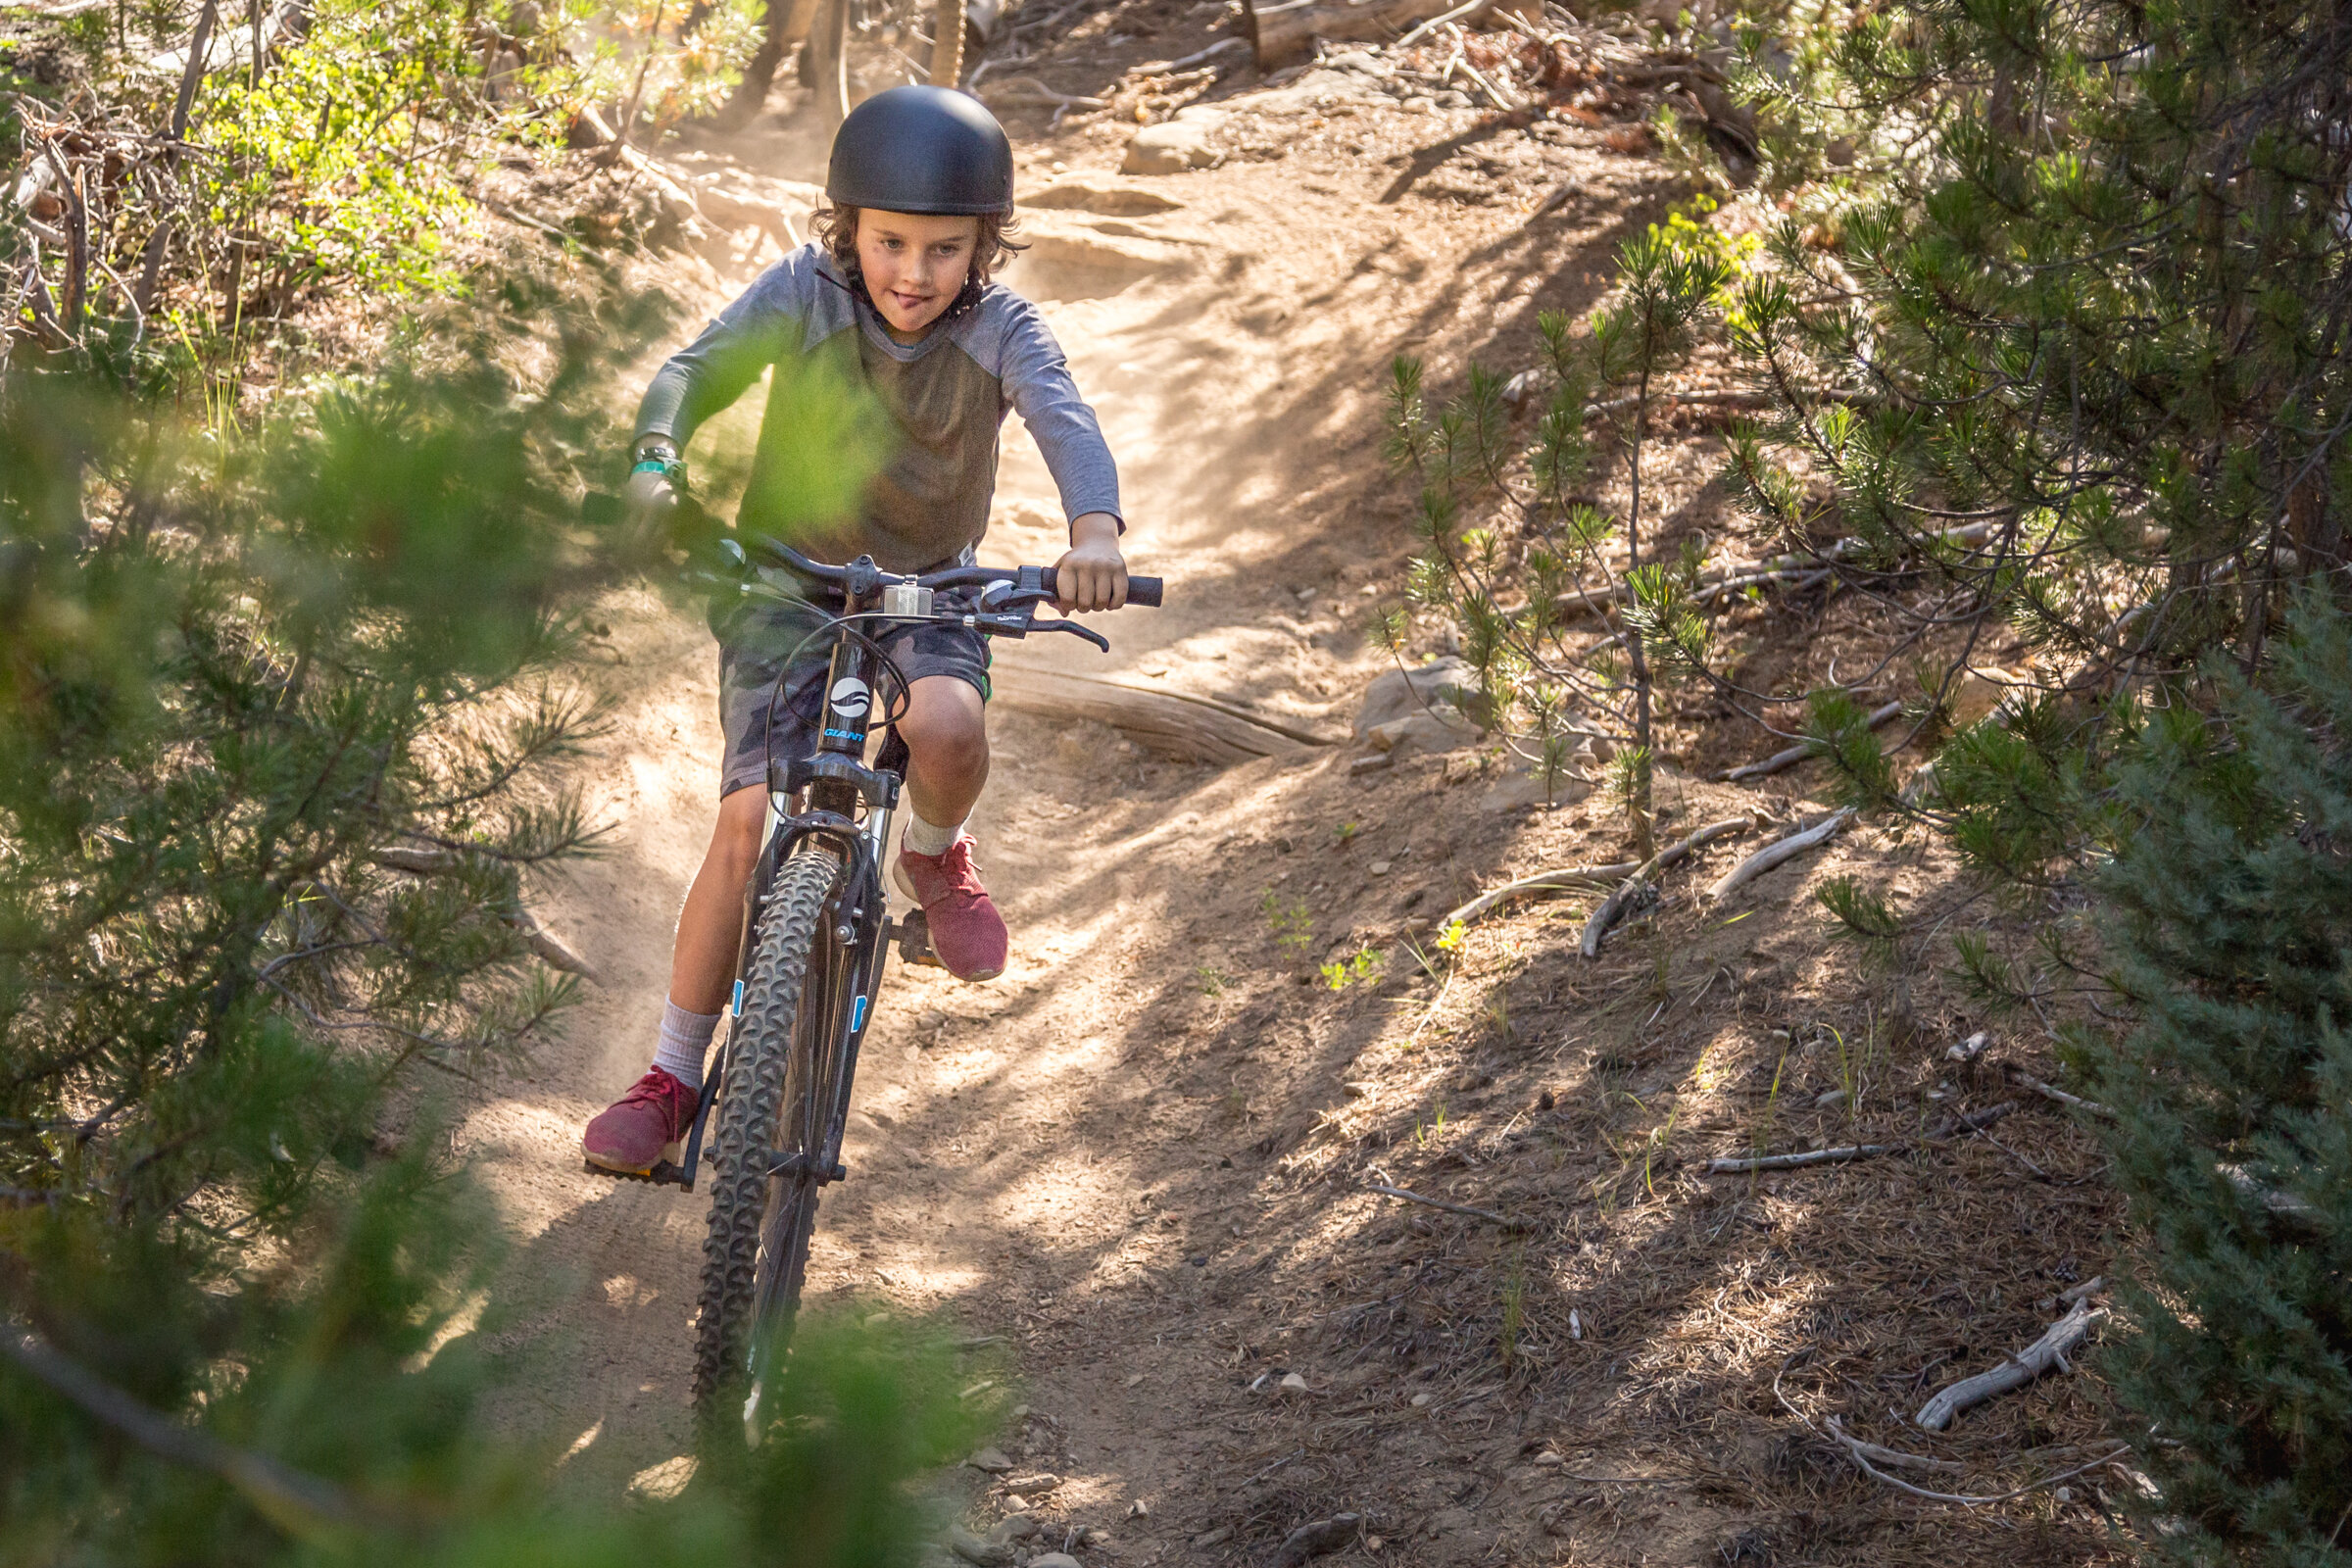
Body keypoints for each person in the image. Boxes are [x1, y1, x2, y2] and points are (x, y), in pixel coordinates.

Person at [583, 86, 1128, 1176]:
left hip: (928, 586)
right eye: (890, 241)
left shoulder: (1001, 327)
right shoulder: (805, 288)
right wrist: (656, 458)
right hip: (783, 580)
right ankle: (672, 1073)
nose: (913, 272)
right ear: (848, 228)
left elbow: (1064, 416)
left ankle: (931, 855)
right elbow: (695, 372)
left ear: (984, 246)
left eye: (944, 247)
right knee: (746, 820)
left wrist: (1096, 533)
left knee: (949, 728)